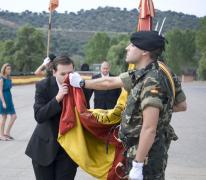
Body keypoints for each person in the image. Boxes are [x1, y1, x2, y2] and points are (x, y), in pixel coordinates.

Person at [69, 31, 187, 180]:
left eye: (132, 45)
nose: (127, 48)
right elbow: (110, 82)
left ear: (144, 51)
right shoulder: (142, 73)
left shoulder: (152, 81)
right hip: (136, 151)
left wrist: (138, 164)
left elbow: (149, 128)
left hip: (146, 157)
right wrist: (82, 83)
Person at [26, 56, 77, 180]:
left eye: (70, 73)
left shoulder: (79, 87)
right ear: (54, 72)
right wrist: (57, 98)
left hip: (68, 150)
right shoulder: (43, 85)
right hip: (44, 148)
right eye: (62, 74)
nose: (66, 77)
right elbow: (39, 115)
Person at [0, 63, 17, 141]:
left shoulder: (9, 78)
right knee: (4, 116)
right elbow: (0, 92)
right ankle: (1, 135)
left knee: (14, 116)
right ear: (4, 70)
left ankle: (7, 133)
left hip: (9, 98)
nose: (9, 70)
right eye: (8, 69)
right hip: (3, 99)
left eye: (10, 69)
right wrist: (3, 102)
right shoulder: (1, 79)